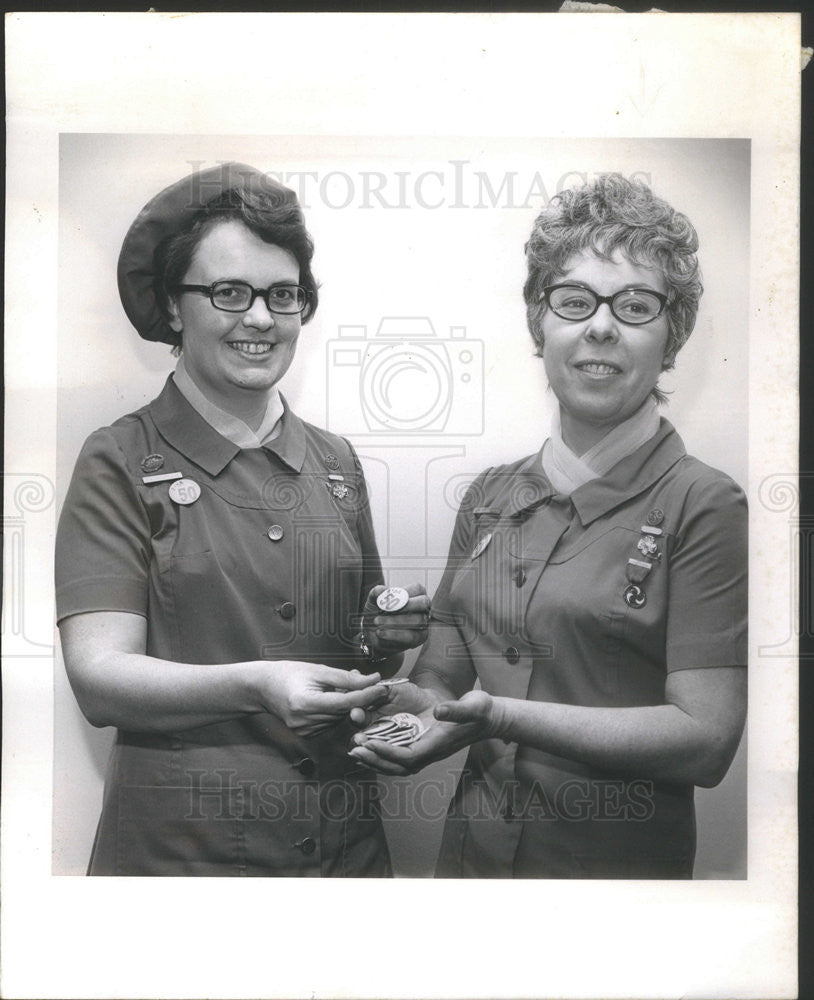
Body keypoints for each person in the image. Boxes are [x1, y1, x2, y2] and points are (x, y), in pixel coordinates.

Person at [350, 174, 747, 879]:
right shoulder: (487, 497)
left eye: (634, 305)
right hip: (471, 869)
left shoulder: (705, 505)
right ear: (541, 323)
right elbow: (443, 679)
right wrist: (412, 708)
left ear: (673, 335)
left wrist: (499, 716)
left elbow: (705, 740)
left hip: (615, 892)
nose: (600, 326)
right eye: (574, 301)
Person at [56, 162, 429, 876]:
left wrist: (385, 638)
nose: (260, 318)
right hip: (181, 860)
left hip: (340, 852)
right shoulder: (119, 458)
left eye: (282, 295)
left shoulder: (336, 461)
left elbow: (359, 656)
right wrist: (256, 683)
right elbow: (99, 679)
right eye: (229, 292)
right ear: (172, 307)